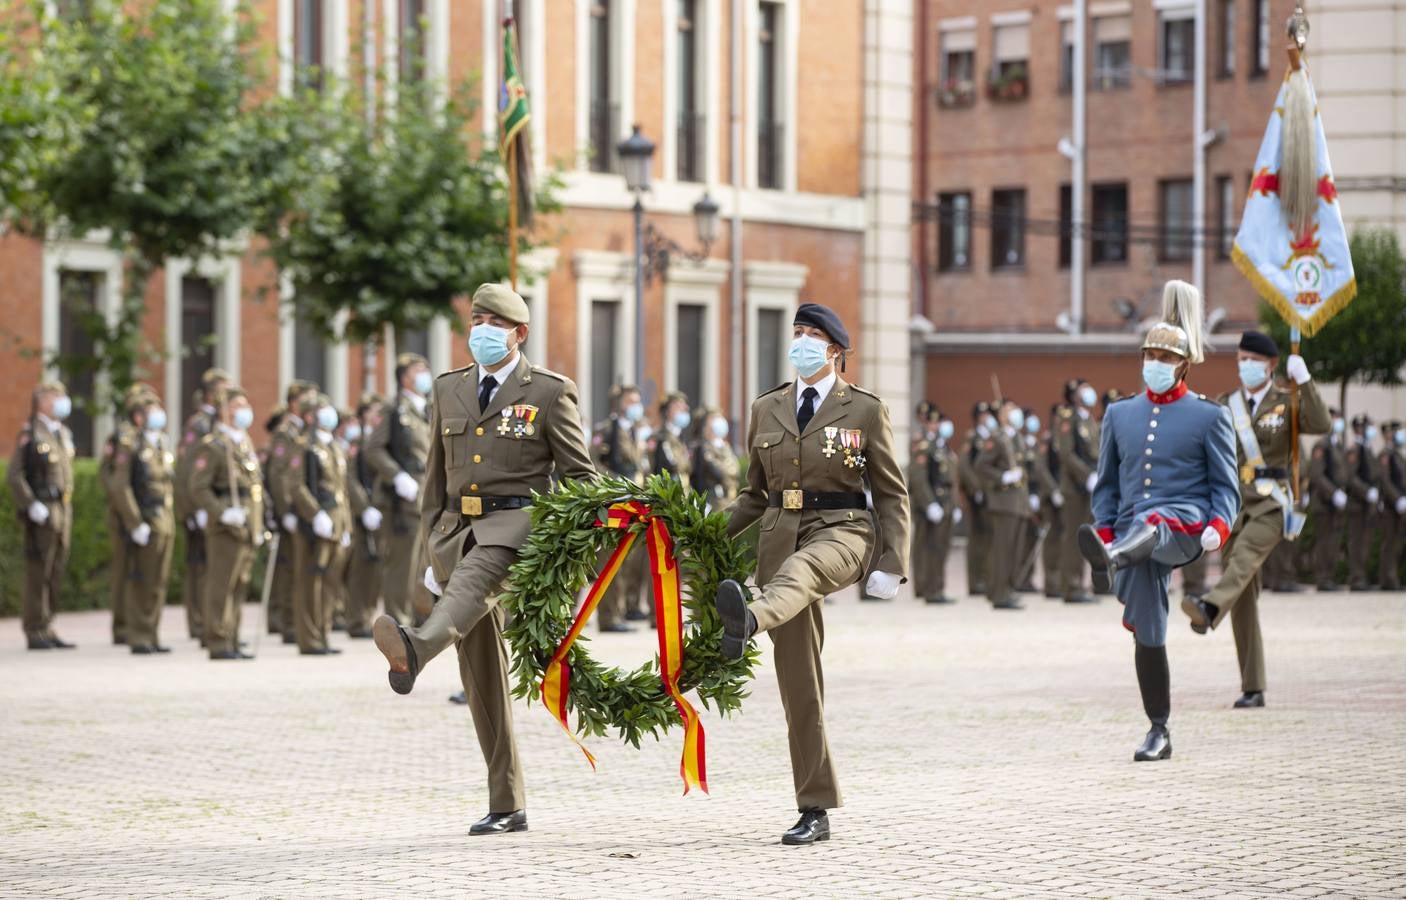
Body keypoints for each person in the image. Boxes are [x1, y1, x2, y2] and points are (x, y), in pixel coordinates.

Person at [371, 283, 597, 836]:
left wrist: (565, 549)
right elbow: (435, 480)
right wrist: (433, 546)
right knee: (481, 678)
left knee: (472, 583)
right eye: (476, 320)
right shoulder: (448, 388)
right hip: (456, 534)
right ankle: (506, 803)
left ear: (520, 334)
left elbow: (581, 478)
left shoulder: (548, 391)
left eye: (495, 323)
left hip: (515, 531)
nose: (482, 331)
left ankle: (417, 647)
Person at [714, 302, 909, 846]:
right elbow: (754, 497)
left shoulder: (864, 409)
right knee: (799, 684)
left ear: (835, 351)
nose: (800, 341)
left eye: (811, 335)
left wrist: (893, 563)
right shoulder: (767, 407)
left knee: (800, 572)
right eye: (796, 332)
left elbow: (891, 492)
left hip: (843, 532)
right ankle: (814, 807)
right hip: (780, 535)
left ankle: (750, 618)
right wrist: (703, 533)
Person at [1077, 280, 1239, 762]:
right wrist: (1106, 528)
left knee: (1156, 518)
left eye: (1165, 358)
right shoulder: (1120, 414)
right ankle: (1158, 730)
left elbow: (1226, 486)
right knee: (1149, 632)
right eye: (1149, 355)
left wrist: (1219, 525)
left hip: (1185, 524)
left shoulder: (1209, 416)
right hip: (1132, 534)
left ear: (1183, 365)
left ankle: (1110, 558)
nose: (1155, 364)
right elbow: (1107, 486)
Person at [1181, 331, 1329, 709]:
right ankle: (1253, 686)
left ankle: (1209, 607)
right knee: (1243, 595)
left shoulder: (1287, 400)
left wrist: (1305, 380)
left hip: (1271, 504)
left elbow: (1320, 423)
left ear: (1271, 365)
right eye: (1241, 359)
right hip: (1233, 505)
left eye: (1253, 360)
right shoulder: (1225, 404)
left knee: (1245, 555)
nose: (1246, 365)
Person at [190, 386, 264, 660]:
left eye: (245, 404)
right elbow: (198, 487)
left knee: (239, 585)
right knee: (221, 584)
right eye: (237, 405)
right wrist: (221, 512)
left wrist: (258, 524)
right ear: (224, 410)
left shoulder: (244, 443)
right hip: (226, 526)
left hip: (246, 525)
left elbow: (254, 488)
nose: (244, 410)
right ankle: (218, 640)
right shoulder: (214, 445)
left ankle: (232, 637)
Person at [365, 354, 434, 627]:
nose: (424, 374)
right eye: (418, 370)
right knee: (402, 567)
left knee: (422, 567)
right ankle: (397, 625)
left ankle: (419, 620)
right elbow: (373, 449)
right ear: (405, 377)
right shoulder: (394, 409)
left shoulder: (428, 409)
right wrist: (397, 476)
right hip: (401, 501)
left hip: (425, 497)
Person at [107, 387, 177, 654]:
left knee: (158, 581)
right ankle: (138, 635)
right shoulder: (130, 445)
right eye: (152, 410)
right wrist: (135, 522)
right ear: (138, 417)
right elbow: (119, 485)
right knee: (140, 580)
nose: (159, 414)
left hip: (163, 519)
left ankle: (151, 633)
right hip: (145, 519)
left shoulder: (159, 443)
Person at [8, 381, 78, 650]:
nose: (61, 401)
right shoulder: (31, 433)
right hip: (43, 511)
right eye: (55, 397)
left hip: (62, 511)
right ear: (42, 402)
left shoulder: (61, 433)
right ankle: (34, 628)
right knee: (38, 572)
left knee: (55, 572)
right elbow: (15, 475)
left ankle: (47, 625)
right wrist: (31, 504)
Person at [283, 394, 351, 656]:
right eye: (322, 409)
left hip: (336, 523)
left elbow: (341, 490)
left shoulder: (333, 445)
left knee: (330, 583)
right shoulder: (302, 445)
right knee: (310, 582)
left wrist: (346, 526)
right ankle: (309, 638)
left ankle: (323, 633)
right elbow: (296, 485)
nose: (329, 413)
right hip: (316, 523)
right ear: (310, 416)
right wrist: (315, 514)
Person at [173, 368, 230, 642]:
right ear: (210, 394)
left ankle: (212, 621)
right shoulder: (199, 424)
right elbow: (188, 469)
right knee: (199, 566)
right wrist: (193, 509)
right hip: (202, 506)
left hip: (216, 506)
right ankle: (198, 622)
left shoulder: (220, 422)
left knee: (214, 568)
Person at [590, 383, 648, 633]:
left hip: (632, 503)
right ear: (618, 403)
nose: (635, 406)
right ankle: (608, 616)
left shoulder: (634, 432)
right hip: (613, 502)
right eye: (630, 401)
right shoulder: (606, 430)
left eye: (637, 401)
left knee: (625, 560)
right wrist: (617, 482)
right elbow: (593, 464)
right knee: (610, 558)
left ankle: (620, 610)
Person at [99, 383, 152, 646]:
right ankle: (121, 626)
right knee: (122, 572)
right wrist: (126, 511)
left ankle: (134, 622)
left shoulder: (146, 439)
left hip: (140, 513)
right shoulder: (122, 438)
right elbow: (110, 478)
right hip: (123, 516)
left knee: (139, 572)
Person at [267, 382, 317, 640]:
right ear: (294, 402)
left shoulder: (306, 431)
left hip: (304, 508)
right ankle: (285, 621)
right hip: (291, 508)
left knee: (300, 567)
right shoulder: (286, 432)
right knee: (289, 568)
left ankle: (293, 621)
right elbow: (279, 473)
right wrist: (285, 508)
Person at [975, 400, 1030, 610]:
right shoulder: (997, 438)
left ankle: (1006, 589)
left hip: (1018, 502)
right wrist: (1003, 477)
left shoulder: (1016, 438)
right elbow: (981, 465)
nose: (1015, 413)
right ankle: (1000, 594)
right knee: (1002, 551)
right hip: (1003, 502)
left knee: (1013, 550)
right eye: (1010, 410)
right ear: (1002, 416)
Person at [1054, 379, 1100, 604]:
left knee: (1084, 538)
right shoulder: (1068, 419)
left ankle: (1079, 583)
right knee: (1073, 538)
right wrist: (1086, 475)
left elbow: (1095, 451)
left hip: (1089, 487)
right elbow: (1066, 453)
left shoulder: (1088, 420)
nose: (1089, 392)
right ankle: (1071, 587)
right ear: (1074, 395)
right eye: (1083, 389)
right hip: (1074, 487)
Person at [908, 406, 958, 605]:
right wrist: (929, 504)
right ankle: (929, 588)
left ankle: (937, 587)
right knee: (929, 547)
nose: (937, 426)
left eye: (939, 422)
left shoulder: (942, 446)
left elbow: (951, 479)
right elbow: (918, 478)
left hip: (945, 503)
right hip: (931, 503)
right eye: (933, 422)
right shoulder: (923, 446)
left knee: (941, 548)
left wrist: (955, 506)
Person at [345, 395, 386, 637]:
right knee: (361, 569)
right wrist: (364, 507)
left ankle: (367, 616)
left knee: (375, 569)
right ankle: (356, 619)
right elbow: (350, 478)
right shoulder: (358, 441)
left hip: (380, 510)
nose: (378, 415)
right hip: (362, 513)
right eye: (373, 411)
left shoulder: (381, 439)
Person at [1308, 409, 1348, 590]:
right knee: (1324, 541)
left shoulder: (1337, 445)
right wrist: (1333, 493)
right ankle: (1322, 578)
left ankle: (1329, 577)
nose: (1338, 422)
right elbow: (1317, 475)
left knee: (1333, 542)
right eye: (1334, 418)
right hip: (1323, 502)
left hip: (1335, 504)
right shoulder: (1321, 445)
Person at [1345, 414, 1384, 591]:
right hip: (1357, 504)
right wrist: (1366, 491)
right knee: (1356, 542)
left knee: (1365, 542)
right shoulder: (1355, 450)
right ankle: (1356, 578)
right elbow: (1351, 477)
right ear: (1359, 429)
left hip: (1367, 505)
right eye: (1367, 427)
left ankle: (1361, 576)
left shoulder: (1367, 448)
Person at [959, 402, 994, 596]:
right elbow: (965, 467)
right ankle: (976, 581)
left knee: (988, 539)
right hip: (977, 496)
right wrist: (976, 488)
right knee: (977, 539)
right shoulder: (972, 438)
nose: (987, 418)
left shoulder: (991, 437)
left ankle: (987, 578)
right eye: (983, 415)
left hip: (990, 495)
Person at [692, 406, 741, 507]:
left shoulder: (725, 446)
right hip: (712, 501)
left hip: (729, 499)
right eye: (714, 418)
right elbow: (718, 472)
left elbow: (736, 470)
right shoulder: (702, 448)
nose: (719, 421)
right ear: (706, 426)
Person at [1380, 423, 1406, 590]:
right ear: (1388, 434)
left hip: (1400, 505)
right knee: (1389, 543)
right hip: (1390, 505)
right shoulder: (1386, 454)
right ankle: (1388, 579)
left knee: (1396, 543)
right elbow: (1385, 481)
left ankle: (1392, 578)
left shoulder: (1397, 454)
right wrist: (1397, 499)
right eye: (1397, 432)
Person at [652, 391, 694, 491]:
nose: (683, 410)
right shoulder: (661, 436)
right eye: (677, 407)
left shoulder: (681, 436)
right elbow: (672, 466)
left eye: (684, 407)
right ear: (666, 411)